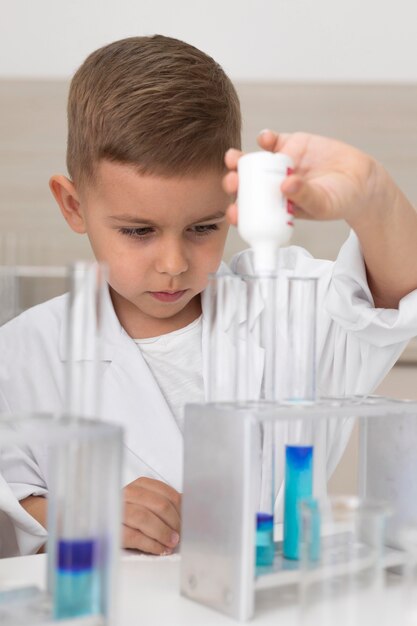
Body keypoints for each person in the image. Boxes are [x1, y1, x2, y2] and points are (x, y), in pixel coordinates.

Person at [0, 35, 417, 558]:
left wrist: (373, 194)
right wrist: (75, 509)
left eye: (203, 227)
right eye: (138, 231)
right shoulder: (22, 354)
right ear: (73, 205)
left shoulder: (286, 309)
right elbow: (10, 504)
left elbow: (399, 294)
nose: (173, 263)